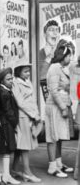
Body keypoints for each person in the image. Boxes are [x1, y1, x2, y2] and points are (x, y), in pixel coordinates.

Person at [45, 39, 73, 178]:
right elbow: (54, 90)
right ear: (63, 56)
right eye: (69, 56)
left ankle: (59, 163)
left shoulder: (62, 68)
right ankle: (52, 166)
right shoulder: (54, 68)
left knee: (59, 136)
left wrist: (68, 87)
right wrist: (63, 107)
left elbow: (67, 86)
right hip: (55, 106)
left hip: (61, 105)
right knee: (53, 136)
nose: (70, 58)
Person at [11, 60, 41, 183]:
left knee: (22, 144)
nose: (28, 73)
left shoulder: (28, 82)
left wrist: (37, 114)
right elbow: (20, 103)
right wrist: (33, 114)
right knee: (25, 146)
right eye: (25, 71)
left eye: (28, 71)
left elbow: (33, 100)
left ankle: (14, 168)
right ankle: (27, 172)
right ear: (19, 72)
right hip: (23, 116)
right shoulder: (15, 83)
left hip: (30, 116)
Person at [0, 67, 20, 185]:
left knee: (4, 150)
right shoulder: (5, 93)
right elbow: (9, 111)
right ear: (2, 81)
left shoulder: (4, 91)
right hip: (7, 124)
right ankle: (6, 175)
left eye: (12, 78)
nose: (11, 81)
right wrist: (15, 124)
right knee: (7, 150)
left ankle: (2, 174)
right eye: (8, 79)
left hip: (5, 123)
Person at [39, 20, 61, 122]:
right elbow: (40, 76)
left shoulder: (61, 54)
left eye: (56, 30)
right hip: (45, 96)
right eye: (51, 30)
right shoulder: (40, 53)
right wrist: (49, 57)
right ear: (44, 34)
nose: (54, 33)